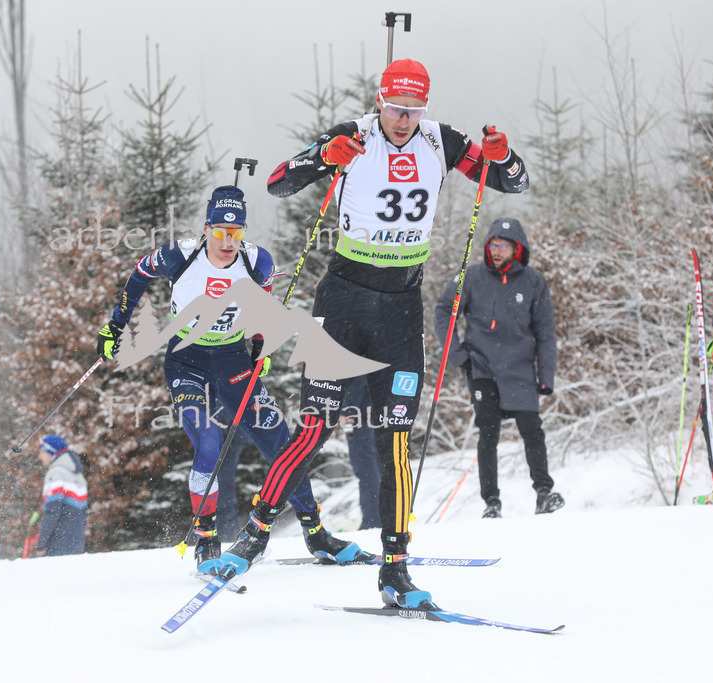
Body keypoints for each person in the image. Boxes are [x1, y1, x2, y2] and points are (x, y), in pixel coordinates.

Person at [216, 58, 530, 608]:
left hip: (401, 309)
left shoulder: (444, 141)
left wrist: (501, 154)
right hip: (343, 303)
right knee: (314, 427)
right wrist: (322, 157)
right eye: (394, 108)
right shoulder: (352, 136)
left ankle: (395, 569)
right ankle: (255, 534)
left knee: (396, 440)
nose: (403, 120)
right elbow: (277, 183)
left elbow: (511, 181)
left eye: (413, 110)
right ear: (379, 101)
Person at [96, 185, 373, 574]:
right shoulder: (181, 254)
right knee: (208, 441)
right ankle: (206, 539)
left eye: (236, 232)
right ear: (206, 228)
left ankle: (316, 534)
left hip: (232, 361)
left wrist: (261, 344)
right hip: (186, 361)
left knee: (280, 443)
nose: (228, 241)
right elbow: (140, 274)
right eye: (221, 231)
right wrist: (116, 327)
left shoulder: (257, 261)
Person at [434, 217, 563, 519]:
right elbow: (444, 311)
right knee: (487, 434)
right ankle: (491, 503)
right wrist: (458, 356)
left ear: (517, 249)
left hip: (520, 370)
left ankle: (544, 493)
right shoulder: (471, 276)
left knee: (533, 431)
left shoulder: (533, 281)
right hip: (481, 367)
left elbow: (546, 331)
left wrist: (546, 376)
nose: (496, 251)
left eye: (503, 246)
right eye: (492, 244)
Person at [34, 434, 88, 556]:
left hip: (56, 545)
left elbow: (52, 512)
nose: (40, 457)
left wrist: (41, 544)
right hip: (76, 544)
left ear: (50, 452)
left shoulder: (56, 473)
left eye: (42, 452)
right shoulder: (79, 477)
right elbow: (83, 514)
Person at [342, 376, 380, 530]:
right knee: (375, 467)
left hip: (361, 416)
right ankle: (379, 518)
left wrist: (348, 411)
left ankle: (373, 520)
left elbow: (357, 375)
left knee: (366, 470)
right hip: (372, 413)